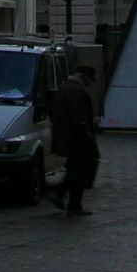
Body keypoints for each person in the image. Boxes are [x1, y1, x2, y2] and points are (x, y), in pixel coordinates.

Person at [49, 64, 100, 216]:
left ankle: (68, 200)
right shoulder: (80, 91)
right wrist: (88, 138)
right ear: (85, 77)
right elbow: (79, 119)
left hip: (64, 136)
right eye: (91, 80)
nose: (91, 83)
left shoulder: (64, 87)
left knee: (74, 168)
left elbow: (52, 111)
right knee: (79, 171)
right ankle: (69, 201)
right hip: (77, 139)